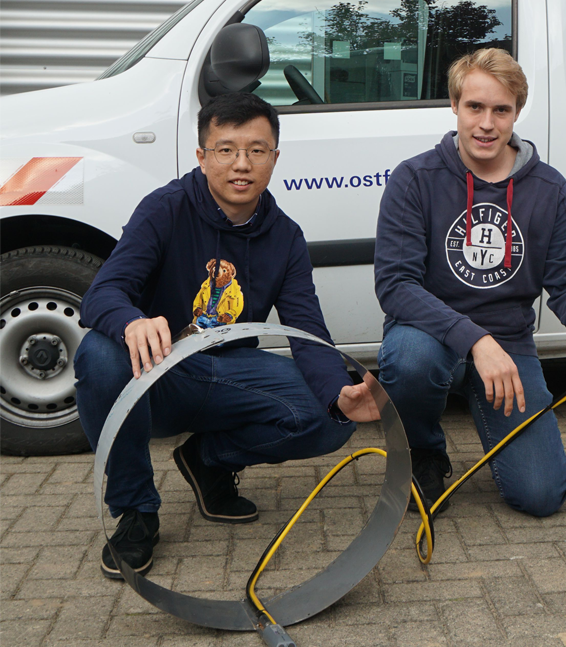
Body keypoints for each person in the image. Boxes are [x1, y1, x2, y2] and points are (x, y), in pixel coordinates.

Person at [75, 92, 379, 580]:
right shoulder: (165, 209)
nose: (242, 164)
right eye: (226, 149)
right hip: (159, 376)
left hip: (229, 373)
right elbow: (104, 293)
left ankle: (208, 460)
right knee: (98, 353)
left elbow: (306, 331)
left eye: (257, 150)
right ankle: (136, 511)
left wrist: (337, 391)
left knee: (332, 418)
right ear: (201, 156)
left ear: (275, 158)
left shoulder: (285, 235)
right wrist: (133, 321)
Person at [374, 48, 566, 517]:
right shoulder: (414, 178)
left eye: (501, 110)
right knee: (410, 360)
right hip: (431, 336)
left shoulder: (549, 188)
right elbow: (396, 285)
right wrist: (475, 339)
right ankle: (423, 452)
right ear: (454, 106)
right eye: (475, 107)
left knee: (541, 496)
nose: (486, 123)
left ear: (517, 113)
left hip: (510, 349)